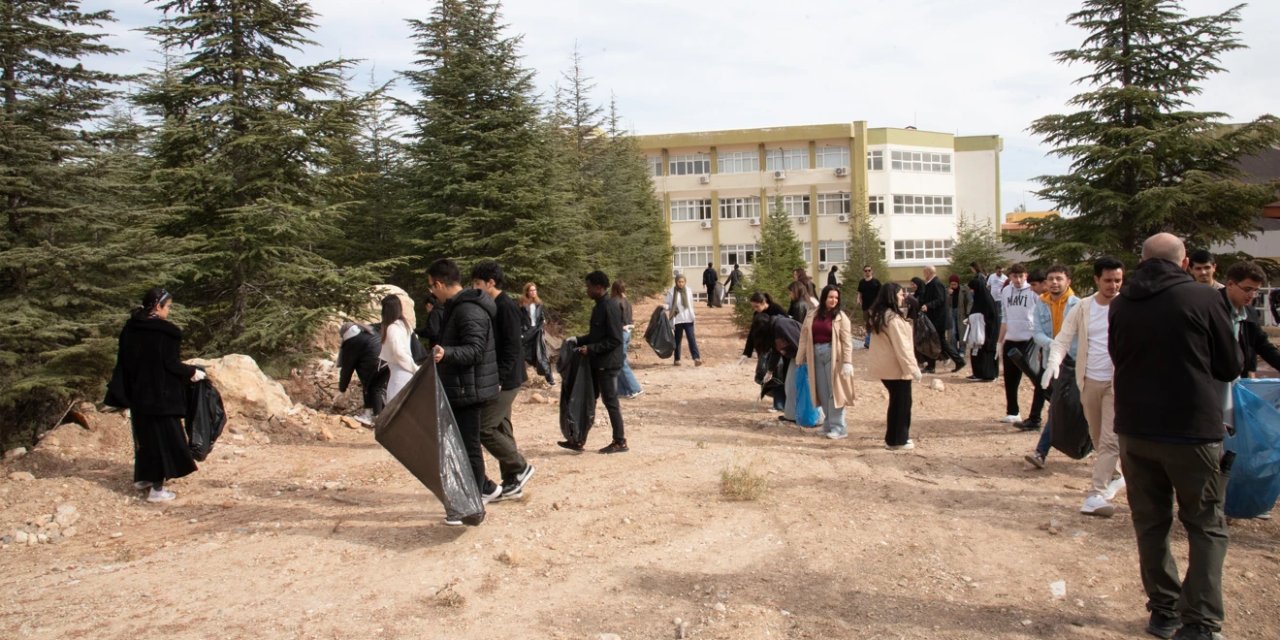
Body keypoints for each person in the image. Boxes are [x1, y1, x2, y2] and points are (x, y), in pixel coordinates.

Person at [1109, 233, 1240, 640]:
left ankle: (1163, 613)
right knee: (1205, 525)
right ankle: (1200, 622)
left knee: (1151, 524)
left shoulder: (1120, 303)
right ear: (1184, 263)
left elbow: (1118, 356)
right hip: (1191, 431)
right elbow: (1230, 365)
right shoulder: (1203, 299)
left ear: (1143, 261)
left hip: (1135, 430)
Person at [1038, 258, 1126, 519]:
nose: (1113, 285)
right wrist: (1053, 364)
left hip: (1117, 383)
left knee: (1110, 439)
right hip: (1088, 381)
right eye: (1108, 280)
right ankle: (1118, 475)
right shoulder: (1084, 307)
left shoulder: (1128, 307)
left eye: (1118, 280)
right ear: (1097, 279)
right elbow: (1063, 339)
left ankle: (1095, 494)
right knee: (1098, 437)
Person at [428, 259, 502, 525]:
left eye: (431, 287)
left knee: (469, 447)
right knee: (463, 445)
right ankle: (485, 491)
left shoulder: (468, 309)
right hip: (462, 386)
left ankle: (472, 509)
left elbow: (475, 350)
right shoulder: (456, 307)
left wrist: (446, 353)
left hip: (468, 389)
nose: (431, 293)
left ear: (439, 283)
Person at [112, 287, 202, 503]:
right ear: (157, 306)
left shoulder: (131, 328)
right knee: (166, 440)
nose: (169, 311)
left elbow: (125, 362)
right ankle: (157, 490)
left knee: (146, 439)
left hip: (138, 395)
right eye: (168, 306)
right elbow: (169, 363)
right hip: (161, 397)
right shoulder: (164, 332)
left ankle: (143, 478)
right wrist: (192, 372)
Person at [470, 261, 536, 502]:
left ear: (491, 283)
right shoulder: (492, 304)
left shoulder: (505, 306)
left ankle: (520, 466)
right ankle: (512, 481)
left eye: (478, 283)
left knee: (484, 427)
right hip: (501, 377)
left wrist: (498, 377)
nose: (475, 288)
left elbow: (512, 346)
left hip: (506, 379)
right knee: (501, 427)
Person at [562, 271, 628, 453]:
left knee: (610, 401)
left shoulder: (610, 307)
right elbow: (596, 336)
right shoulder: (599, 306)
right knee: (588, 400)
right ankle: (577, 440)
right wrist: (577, 340)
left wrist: (591, 349)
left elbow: (615, 339)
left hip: (608, 363)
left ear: (599, 288)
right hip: (597, 362)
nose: (587, 290)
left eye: (589, 287)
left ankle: (620, 441)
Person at [1023, 265, 1080, 463]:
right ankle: (1041, 452)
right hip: (1054, 363)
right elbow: (1037, 332)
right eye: (1051, 279)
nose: (1054, 282)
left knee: (1087, 410)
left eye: (1059, 278)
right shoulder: (1040, 303)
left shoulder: (1078, 305)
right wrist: (1053, 344)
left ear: (1068, 282)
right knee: (1056, 406)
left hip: (1076, 362)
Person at [795, 285, 857, 439]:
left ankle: (839, 427)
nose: (833, 300)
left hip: (833, 355)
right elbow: (804, 337)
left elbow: (847, 341)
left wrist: (847, 362)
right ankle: (828, 424)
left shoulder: (841, 317)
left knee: (834, 392)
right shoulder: (812, 315)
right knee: (822, 391)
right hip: (815, 354)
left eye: (836, 298)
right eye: (831, 297)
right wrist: (800, 357)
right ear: (824, 298)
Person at [867, 283, 923, 450]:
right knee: (902, 403)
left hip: (887, 368)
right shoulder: (892, 319)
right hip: (896, 368)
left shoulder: (880, 316)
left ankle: (894, 438)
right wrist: (913, 368)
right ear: (892, 296)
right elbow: (902, 346)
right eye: (900, 294)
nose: (902, 297)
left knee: (897, 402)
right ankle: (897, 440)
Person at [997, 264, 1043, 428]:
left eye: (1021, 276)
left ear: (1026, 276)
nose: (1017, 280)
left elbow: (1040, 314)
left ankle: (1036, 415)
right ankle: (1013, 412)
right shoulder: (1006, 291)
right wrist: (999, 341)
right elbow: (1004, 316)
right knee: (1010, 378)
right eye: (1014, 276)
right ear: (1009, 277)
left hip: (1029, 339)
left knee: (1035, 378)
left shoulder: (1033, 291)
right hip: (1011, 337)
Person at [1220, 261, 1280, 378]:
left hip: (1241, 379)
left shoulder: (1250, 312)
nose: (1252, 295)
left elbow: (1262, 345)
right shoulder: (1210, 308)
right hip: (1214, 381)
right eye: (1247, 289)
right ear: (1230, 284)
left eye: (1256, 290)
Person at [740, 292, 787, 410]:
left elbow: (785, 328)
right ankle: (774, 401)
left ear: (764, 302)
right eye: (753, 307)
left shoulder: (776, 310)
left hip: (778, 349)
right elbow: (752, 334)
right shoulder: (757, 314)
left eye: (756, 306)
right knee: (764, 375)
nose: (755, 309)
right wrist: (746, 353)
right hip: (764, 350)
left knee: (778, 376)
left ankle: (779, 405)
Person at [917, 265, 966, 373]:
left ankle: (957, 361)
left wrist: (928, 305)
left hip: (939, 319)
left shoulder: (936, 283)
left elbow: (940, 299)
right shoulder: (931, 284)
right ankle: (933, 366)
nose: (923, 274)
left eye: (924, 272)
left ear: (929, 272)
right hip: (934, 318)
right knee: (934, 341)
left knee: (939, 341)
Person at [336, 321, 384, 426]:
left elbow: (347, 369)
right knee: (378, 388)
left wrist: (342, 388)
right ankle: (381, 415)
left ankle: (373, 417)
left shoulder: (351, 342)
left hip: (373, 364)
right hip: (386, 361)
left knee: (370, 388)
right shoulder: (367, 331)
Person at [378, 295, 418, 403]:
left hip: (400, 374)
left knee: (395, 409)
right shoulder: (404, 325)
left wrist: (414, 368)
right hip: (404, 372)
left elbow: (399, 353)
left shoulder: (392, 328)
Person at [611, 280, 643, 399]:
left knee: (620, 362)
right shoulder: (626, 301)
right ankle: (622, 390)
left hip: (620, 332)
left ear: (614, 289)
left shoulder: (615, 302)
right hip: (627, 332)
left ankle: (635, 388)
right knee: (619, 361)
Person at [965, 276, 1000, 382]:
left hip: (987, 332)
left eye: (972, 289)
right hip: (978, 331)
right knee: (976, 351)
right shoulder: (979, 299)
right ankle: (978, 373)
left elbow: (992, 317)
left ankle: (988, 374)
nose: (971, 291)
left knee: (986, 352)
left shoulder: (987, 300)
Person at [519, 282, 554, 385]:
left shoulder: (539, 303)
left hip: (537, 331)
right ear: (527, 292)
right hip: (526, 332)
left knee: (542, 355)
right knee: (521, 354)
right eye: (531, 290)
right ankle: (516, 380)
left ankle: (550, 379)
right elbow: (518, 318)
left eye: (535, 290)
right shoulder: (522, 304)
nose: (534, 292)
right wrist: (521, 331)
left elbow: (541, 316)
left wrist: (543, 321)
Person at [665, 274, 703, 366]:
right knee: (677, 340)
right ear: (676, 282)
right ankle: (677, 359)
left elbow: (690, 305)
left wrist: (693, 315)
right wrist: (663, 307)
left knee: (691, 338)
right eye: (679, 282)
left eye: (682, 282)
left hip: (688, 318)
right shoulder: (671, 292)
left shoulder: (688, 291)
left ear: (685, 282)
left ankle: (696, 358)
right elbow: (669, 305)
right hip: (677, 319)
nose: (681, 284)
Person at [856, 265, 881, 349]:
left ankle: (875, 341)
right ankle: (868, 341)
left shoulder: (876, 282)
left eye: (869, 270)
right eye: (866, 271)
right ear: (864, 272)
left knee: (874, 323)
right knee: (867, 324)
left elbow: (880, 294)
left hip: (875, 307)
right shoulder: (861, 282)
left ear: (872, 271)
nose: (867, 272)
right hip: (865, 307)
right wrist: (858, 299)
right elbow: (859, 292)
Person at [949, 274, 971, 356]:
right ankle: (954, 350)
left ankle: (962, 350)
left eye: (954, 284)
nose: (953, 286)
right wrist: (949, 295)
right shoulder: (948, 291)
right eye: (951, 284)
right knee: (952, 332)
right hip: (951, 313)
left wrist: (968, 313)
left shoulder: (964, 290)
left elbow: (969, 301)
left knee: (962, 332)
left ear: (958, 283)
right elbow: (945, 303)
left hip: (962, 313)